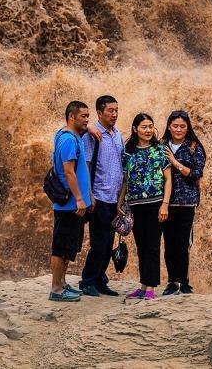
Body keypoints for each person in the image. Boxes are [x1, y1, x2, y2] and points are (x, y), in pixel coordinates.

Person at [117, 113, 171, 300]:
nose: (148, 130)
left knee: (153, 246)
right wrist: (120, 202)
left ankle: (151, 289)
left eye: (150, 126)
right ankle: (142, 286)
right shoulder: (128, 151)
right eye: (144, 127)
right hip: (135, 205)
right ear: (135, 129)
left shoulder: (159, 149)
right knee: (141, 246)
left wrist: (165, 204)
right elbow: (125, 179)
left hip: (155, 204)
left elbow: (168, 179)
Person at [78, 95, 123, 297]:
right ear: (99, 113)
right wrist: (89, 195)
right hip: (99, 197)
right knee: (99, 243)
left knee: (109, 242)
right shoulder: (92, 135)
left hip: (115, 198)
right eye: (110, 111)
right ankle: (87, 281)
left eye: (116, 110)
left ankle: (100, 280)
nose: (114, 114)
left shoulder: (117, 134)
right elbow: (86, 166)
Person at [49, 100, 93, 302]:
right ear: (71, 117)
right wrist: (79, 199)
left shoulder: (73, 136)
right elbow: (68, 172)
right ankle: (56, 289)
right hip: (69, 205)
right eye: (83, 116)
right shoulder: (68, 139)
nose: (87, 120)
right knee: (60, 248)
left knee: (68, 247)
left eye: (88, 116)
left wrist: (87, 194)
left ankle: (63, 284)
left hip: (73, 204)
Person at [161, 110, 206, 296]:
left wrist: (175, 162)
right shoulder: (161, 145)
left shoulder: (194, 147)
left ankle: (184, 282)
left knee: (182, 243)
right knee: (169, 243)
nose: (178, 129)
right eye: (175, 126)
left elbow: (196, 174)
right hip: (165, 203)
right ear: (169, 127)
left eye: (182, 126)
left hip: (186, 203)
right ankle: (172, 282)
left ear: (188, 128)